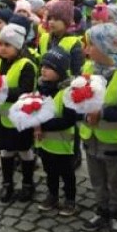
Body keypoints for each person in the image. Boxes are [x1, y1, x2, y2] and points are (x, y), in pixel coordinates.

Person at [81, 22, 117, 232]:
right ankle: (101, 209)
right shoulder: (87, 68)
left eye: (91, 45)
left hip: (112, 139)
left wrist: (101, 113)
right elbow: (79, 97)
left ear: (104, 47)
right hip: (90, 135)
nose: (87, 49)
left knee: (114, 179)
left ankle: (115, 213)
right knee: (96, 177)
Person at [0, 23, 38, 203]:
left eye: (7, 45)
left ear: (18, 46)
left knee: (24, 150)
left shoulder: (27, 65)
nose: (2, 48)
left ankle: (27, 184)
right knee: (6, 151)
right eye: (0, 44)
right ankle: (7, 184)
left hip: (21, 118)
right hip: (2, 117)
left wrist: (0, 92)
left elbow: (25, 91)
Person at [35, 47, 79, 216]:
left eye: (49, 67)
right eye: (43, 66)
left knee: (67, 174)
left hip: (63, 145)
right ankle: (52, 195)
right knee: (50, 172)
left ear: (60, 72)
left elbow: (68, 120)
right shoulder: (41, 88)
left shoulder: (67, 92)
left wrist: (41, 124)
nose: (43, 69)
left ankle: (70, 200)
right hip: (45, 143)